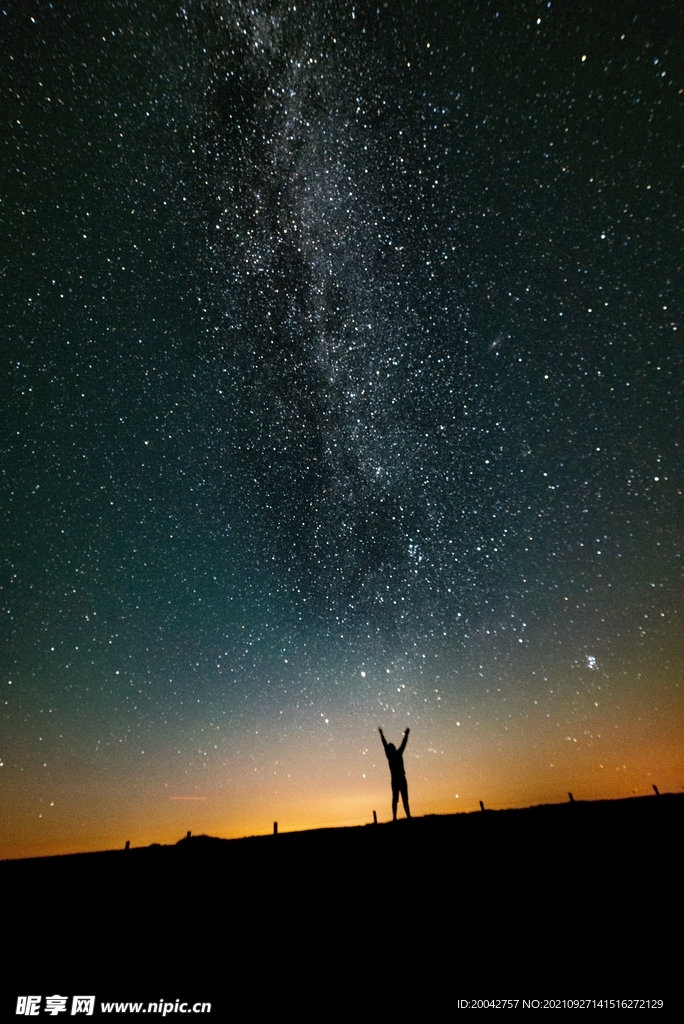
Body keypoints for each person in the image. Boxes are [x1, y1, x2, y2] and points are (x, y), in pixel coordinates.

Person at [378, 727, 411, 820]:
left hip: (396, 779)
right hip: (399, 779)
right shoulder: (397, 754)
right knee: (402, 799)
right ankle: (405, 816)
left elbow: (385, 744)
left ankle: (396, 817)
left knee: (397, 800)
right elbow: (403, 743)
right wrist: (406, 734)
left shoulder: (391, 756)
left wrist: (381, 734)